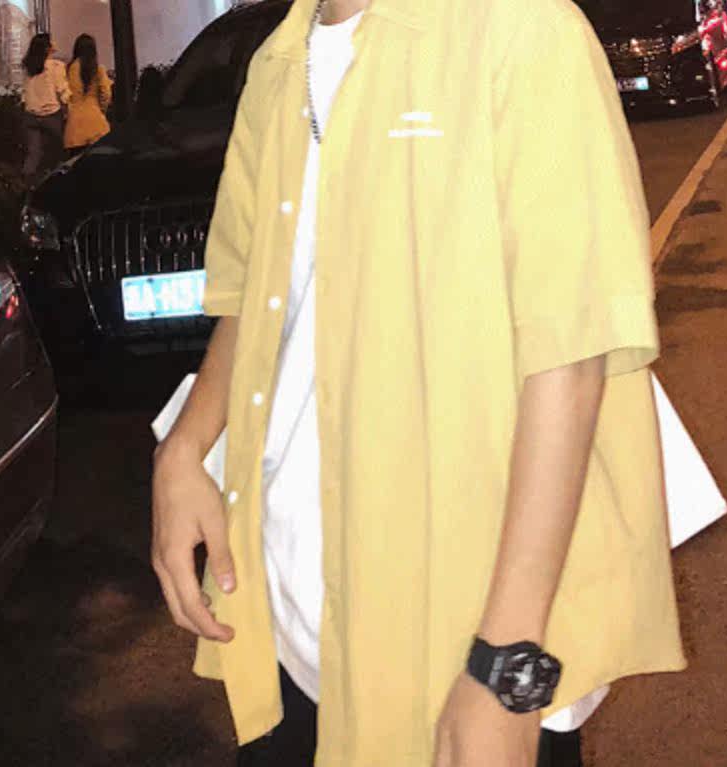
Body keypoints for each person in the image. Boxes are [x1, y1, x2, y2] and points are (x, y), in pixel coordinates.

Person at [150, 1, 686, 765]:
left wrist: (505, 666)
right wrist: (185, 445)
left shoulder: (520, 30)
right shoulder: (276, 66)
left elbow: (571, 355)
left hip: (462, 641)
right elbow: (253, 299)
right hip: (290, 624)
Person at [20, 33, 69, 178]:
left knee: (33, 153)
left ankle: (26, 183)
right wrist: (68, 107)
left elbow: (24, 92)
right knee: (58, 153)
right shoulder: (56, 66)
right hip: (51, 114)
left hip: (30, 115)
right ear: (48, 48)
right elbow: (62, 90)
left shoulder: (28, 67)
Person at [63, 34, 113, 155]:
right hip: (96, 123)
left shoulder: (68, 69)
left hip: (74, 126)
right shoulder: (98, 70)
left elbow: (66, 95)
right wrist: (102, 110)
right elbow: (106, 94)